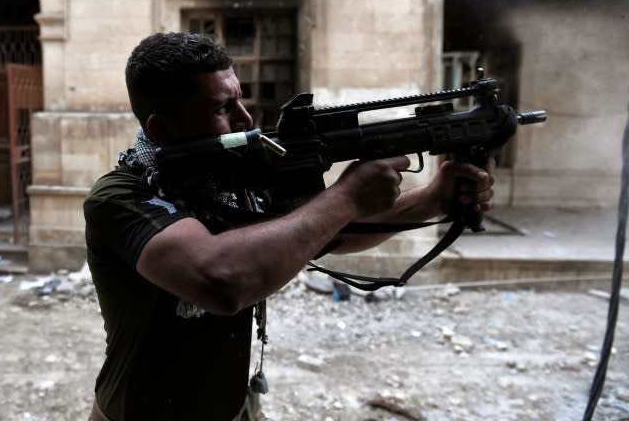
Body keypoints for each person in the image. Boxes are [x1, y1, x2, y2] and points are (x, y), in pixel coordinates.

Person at [83, 32, 495, 421]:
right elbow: (220, 280)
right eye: (221, 108)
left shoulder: (225, 181)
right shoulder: (120, 199)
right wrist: (346, 196)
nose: (246, 119)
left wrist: (431, 199)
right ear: (162, 128)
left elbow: (318, 235)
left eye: (240, 100)